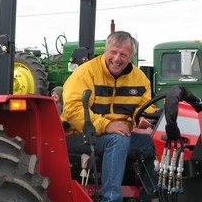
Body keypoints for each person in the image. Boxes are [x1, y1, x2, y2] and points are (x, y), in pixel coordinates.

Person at [61, 31, 157, 202]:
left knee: (157, 143)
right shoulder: (86, 73)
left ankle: (148, 197)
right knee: (117, 140)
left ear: (131, 57)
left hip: (120, 135)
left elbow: (144, 107)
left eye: (123, 54)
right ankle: (111, 199)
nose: (117, 58)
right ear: (105, 51)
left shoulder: (140, 78)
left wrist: (144, 118)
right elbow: (72, 110)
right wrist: (106, 125)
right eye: (113, 52)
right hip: (80, 136)